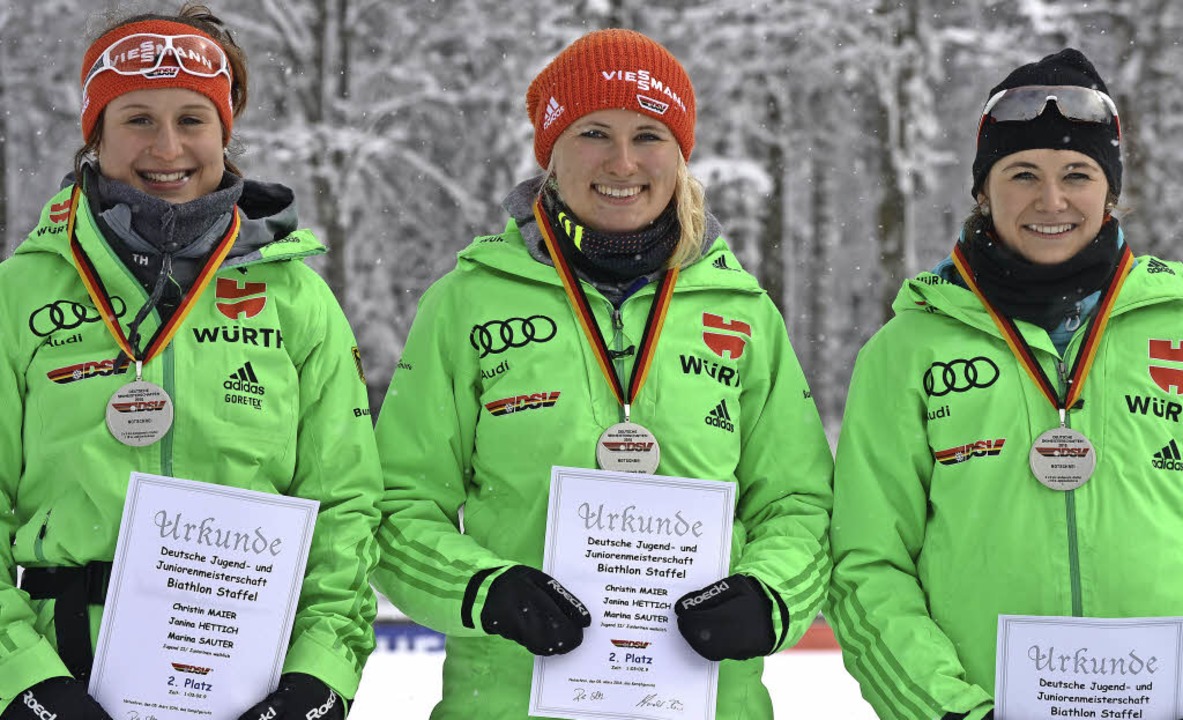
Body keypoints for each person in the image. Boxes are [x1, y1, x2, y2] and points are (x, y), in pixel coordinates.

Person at [371, 28, 833, 719]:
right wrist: (485, 591)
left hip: (706, 699)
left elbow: (799, 507)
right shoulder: (468, 302)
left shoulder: (743, 311)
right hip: (510, 700)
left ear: (680, 154)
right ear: (551, 153)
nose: (622, 161)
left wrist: (769, 596)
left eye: (649, 135)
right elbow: (393, 505)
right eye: (593, 132)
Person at [0, 5, 380, 720]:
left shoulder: (294, 297)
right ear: (96, 135)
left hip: (254, 682)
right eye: (137, 119)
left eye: (192, 119)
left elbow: (346, 503)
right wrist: (21, 681)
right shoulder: (19, 294)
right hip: (65, 677)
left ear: (223, 132)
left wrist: (322, 672)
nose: (167, 146)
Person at [828, 48, 1183, 720]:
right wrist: (950, 710)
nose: (1050, 201)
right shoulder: (908, 349)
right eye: (1022, 174)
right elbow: (866, 566)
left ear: (1110, 192)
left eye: (1076, 173)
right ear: (982, 191)